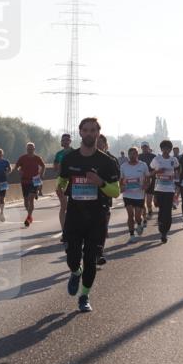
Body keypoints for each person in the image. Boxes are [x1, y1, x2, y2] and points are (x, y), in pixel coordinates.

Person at [57, 117, 120, 312]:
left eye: (93, 130)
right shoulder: (70, 158)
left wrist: (100, 182)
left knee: (91, 259)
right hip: (75, 215)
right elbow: (62, 180)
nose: (89, 133)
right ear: (80, 132)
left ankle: (84, 296)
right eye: (86, 130)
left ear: (98, 133)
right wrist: (60, 188)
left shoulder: (107, 162)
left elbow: (115, 192)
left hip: (96, 216)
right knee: (72, 259)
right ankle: (76, 272)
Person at [150, 140, 180, 243]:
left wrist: (177, 181)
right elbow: (151, 172)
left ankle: (164, 232)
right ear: (161, 149)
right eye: (164, 148)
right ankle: (161, 225)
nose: (166, 150)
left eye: (168, 148)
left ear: (170, 149)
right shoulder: (156, 159)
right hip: (158, 189)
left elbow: (177, 170)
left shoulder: (173, 160)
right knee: (161, 210)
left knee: (167, 211)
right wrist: (157, 171)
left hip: (170, 190)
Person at [120, 146, 150, 242]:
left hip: (139, 194)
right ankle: (132, 234)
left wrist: (146, 185)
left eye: (134, 154)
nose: (132, 156)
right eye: (130, 154)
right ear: (128, 155)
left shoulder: (143, 165)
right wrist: (121, 187)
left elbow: (148, 178)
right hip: (127, 194)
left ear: (137, 154)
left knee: (137, 217)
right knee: (130, 215)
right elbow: (121, 179)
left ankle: (139, 223)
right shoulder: (123, 166)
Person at [13, 142, 46, 227]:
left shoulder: (37, 158)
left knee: (31, 199)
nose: (30, 150)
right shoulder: (22, 158)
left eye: (31, 149)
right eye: (28, 149)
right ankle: (29, 214)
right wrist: (19, 171)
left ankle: (28, 217)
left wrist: (41, 174)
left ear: (34, 149)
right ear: (26, 149)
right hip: (25, 181)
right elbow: (15, 167)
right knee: (26, 202)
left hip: (34, 181)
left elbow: (43, 166)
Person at [94, 134, 113, 265]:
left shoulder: (111, 160)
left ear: (105, 144)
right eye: (96, 142)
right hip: (88, 196)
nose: (98, 145)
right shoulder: (87, 157)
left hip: (104, 195)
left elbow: (116, 179)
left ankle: (99, 253)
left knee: (102, 226)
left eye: (100, 142)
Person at [52, 133, 73, 242]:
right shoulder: (59, 154)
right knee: (64, 206)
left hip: (73, 180)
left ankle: (73, 230)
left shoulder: (75, 152)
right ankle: (64, 232)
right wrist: (59, 166)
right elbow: (55, 168)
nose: (65, 141)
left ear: (70, 141)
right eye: (63, 140)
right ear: (61, 142)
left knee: (73, 207)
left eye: (67, 140)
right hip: (61, 180)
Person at [138, 142, 157, 218]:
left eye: (146, 147)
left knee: (149, 201)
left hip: (151, 179)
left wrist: (151, 174)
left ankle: (150, 209)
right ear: (141, 148)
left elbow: (157, 168)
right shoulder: (138, 156)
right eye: (143, 147)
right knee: (141, 199)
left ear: (149, 147)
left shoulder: (153, 156)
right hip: (141, 180)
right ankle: (144, 214)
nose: (145, 148)